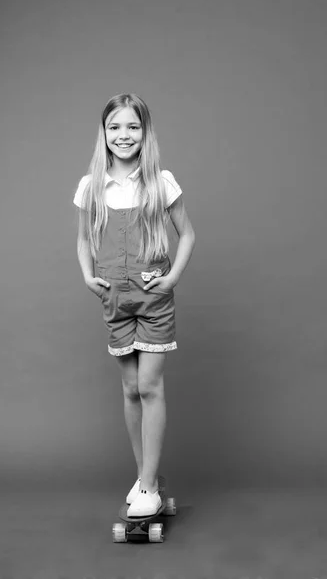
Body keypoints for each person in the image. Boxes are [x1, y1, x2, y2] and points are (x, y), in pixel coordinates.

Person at [73, 93, 195, 517]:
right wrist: (89, 276)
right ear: (104, 133)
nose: (123, 135)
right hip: (115, 299)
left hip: (154, 299)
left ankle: (148, 486)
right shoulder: (92, 184)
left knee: (149, 386)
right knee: (129, 389)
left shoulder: (161, 181)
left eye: (132, 127)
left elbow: (189, 235)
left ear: (145, 132)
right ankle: (144, 476)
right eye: (115, 127)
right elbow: (84, 239)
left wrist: (172, 279)